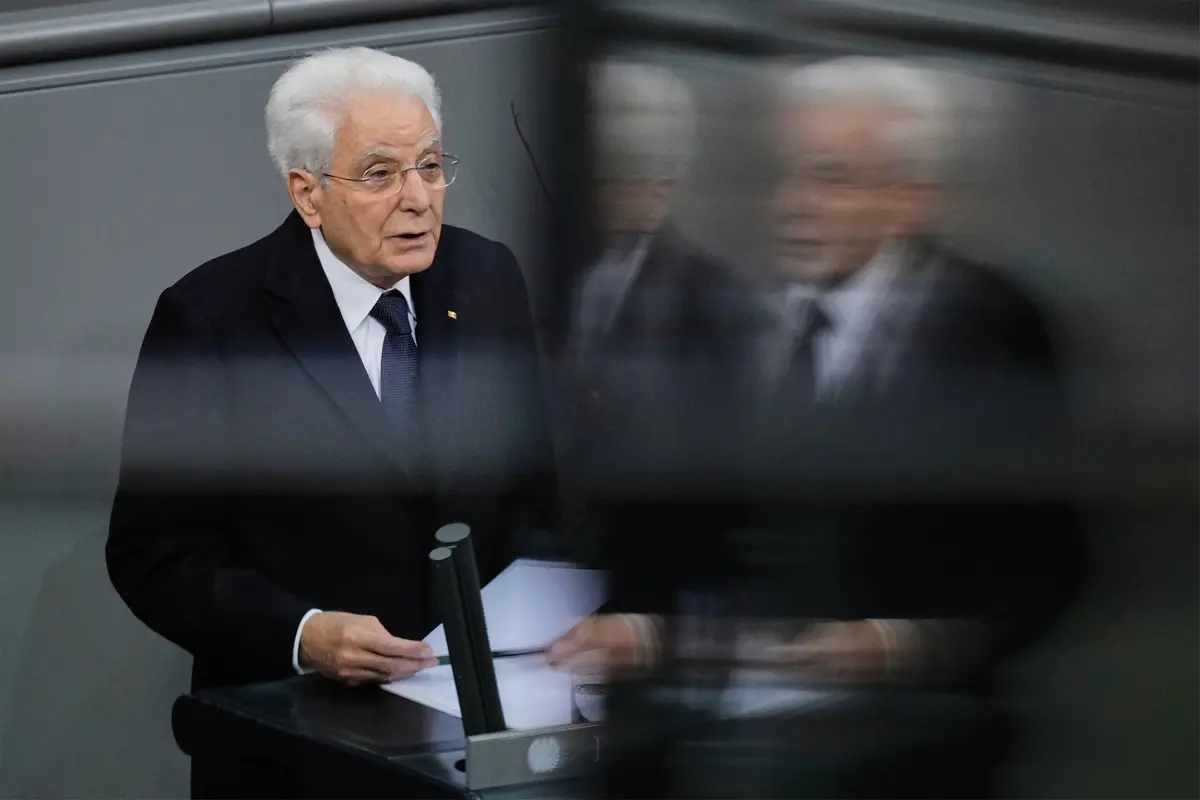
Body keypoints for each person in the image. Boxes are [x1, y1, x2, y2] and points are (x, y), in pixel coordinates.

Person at [106, 47, 557, 798]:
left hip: (473, 747)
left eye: (431, 165)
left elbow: (535, 492)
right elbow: (154, 554)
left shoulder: (487, 279)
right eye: (381, 174)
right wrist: (303, 633)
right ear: (307, 193)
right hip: (299, 751)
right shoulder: (214, 320)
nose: (419, 198)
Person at [551, 55, 1083, 692]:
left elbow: (1041, 564)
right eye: (787, 177)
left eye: (831, 180)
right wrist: (652, 631)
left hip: (923, 728)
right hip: (766, 707)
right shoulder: (760, 319)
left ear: (908, 199)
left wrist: (903, 642)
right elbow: (739, 546)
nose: (794, 205)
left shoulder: (991, 324)